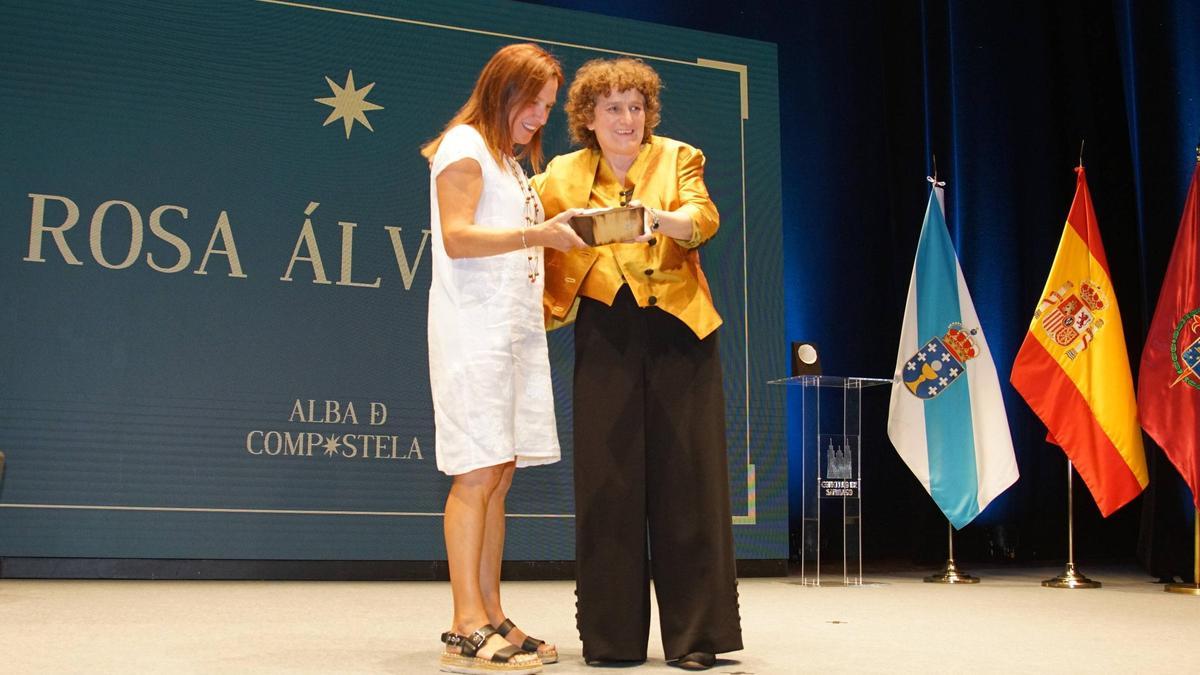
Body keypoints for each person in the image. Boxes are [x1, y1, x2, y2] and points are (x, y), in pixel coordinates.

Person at [532, 57, 743, 671]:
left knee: (689, 477)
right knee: (609, 479)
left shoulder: (679, 157)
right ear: (588, 118)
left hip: (680, 328)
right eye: (614, 108)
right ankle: (611, 638)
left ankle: (696, 636)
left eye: (637, 106)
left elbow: (703, 219)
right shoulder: (560, 174)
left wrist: (660, 220)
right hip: (606, 330)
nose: (629, 119)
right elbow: (537, 231)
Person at [422, 42, 585, 675]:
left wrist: (555, 231)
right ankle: (464, 624)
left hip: (514, 335)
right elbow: (458, 238)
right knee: (475, 471)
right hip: (473, 334)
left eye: (548, 106)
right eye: (534, 102)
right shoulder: (464, 145)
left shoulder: (511, 165)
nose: (541, 117)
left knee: (502, 472)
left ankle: (490, 611)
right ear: (502, 91)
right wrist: (538, 234)